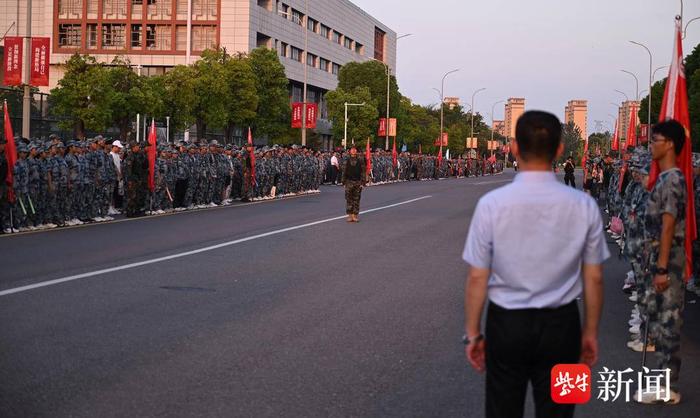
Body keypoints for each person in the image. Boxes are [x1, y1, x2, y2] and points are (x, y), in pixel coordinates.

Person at [462, 111, 609, 418]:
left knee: (503, 409)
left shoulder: (492, 204)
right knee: (560, 411)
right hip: (564, 326)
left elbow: (478, 276)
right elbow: (593, 278)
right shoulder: (584, 205)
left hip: (506, 325)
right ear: (558, 150)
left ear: (514, 148)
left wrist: (474, 333)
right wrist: (590, 332)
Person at [635, 120, 687, 404]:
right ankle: (661, 382)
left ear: (669, 144)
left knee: (668, 323)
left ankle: (668, 387)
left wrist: (663, 267)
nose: (651, 144)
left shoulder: (674, 179)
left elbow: (668, 226)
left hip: (669, 262)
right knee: (659, 320)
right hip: (658, 258)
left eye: (655, 139)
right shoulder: (666, 178)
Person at [341, 146, 366, 222]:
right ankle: (349, 215)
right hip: (349, 182)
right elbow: (344, 171)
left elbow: (363, 172)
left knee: (356, 199)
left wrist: (363, 182)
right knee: (348, 199)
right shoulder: (346, 159)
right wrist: (343, 182)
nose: (353, 151)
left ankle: (355, 215)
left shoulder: (360, 160)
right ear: (350, 151)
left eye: (355, 149)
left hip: (358, 182)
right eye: (352, 149)